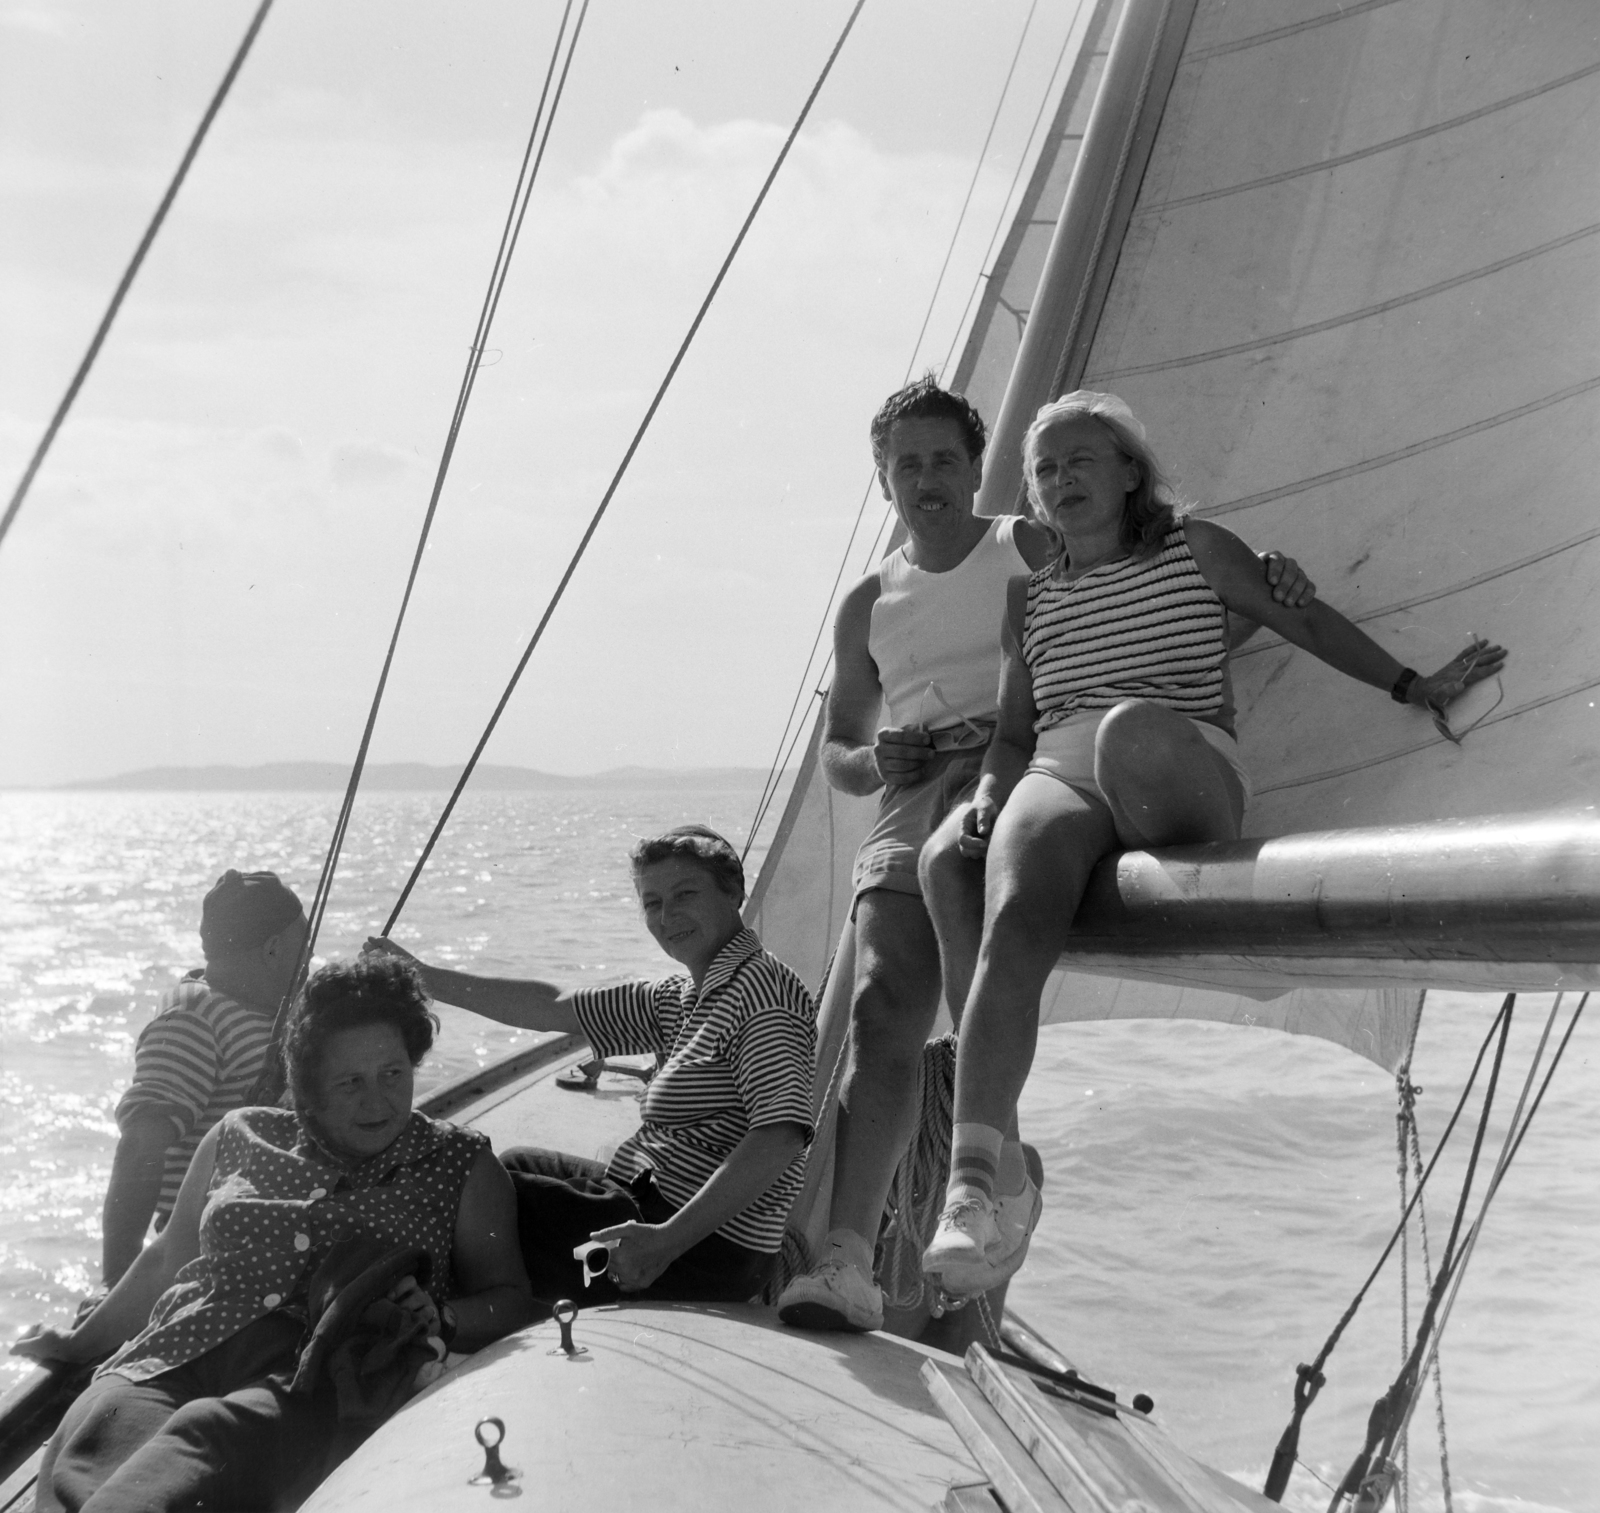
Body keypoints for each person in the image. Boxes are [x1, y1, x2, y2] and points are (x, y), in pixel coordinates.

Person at [917, 390, 1507, 1298]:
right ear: (1032, 499)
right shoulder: (1029, 599)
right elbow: (1012, 732)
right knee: (1007, 903)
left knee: (1128, 734)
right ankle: (981, 1186)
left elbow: (1301, 622)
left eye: (1081, 459)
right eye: (1044, 469)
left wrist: (1412, 684)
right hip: (1059, 771)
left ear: (1129, 473)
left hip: (1174, 761)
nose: (1061, 477)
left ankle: (986, 1178)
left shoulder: (1199, 551)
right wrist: (995, 789)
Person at [777, 377, 1318, 1333]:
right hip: (913, 791)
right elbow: (838, 752)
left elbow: (1160, 600)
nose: (928, 477)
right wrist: (872, 756)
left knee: (983, 977)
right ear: (883, 478)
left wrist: (1268, 585)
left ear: (978, 467)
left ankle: (986, 1202)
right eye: (908, 463)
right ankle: (851, 1259)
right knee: (878, 1014)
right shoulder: (868, 601)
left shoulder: (1025, 543)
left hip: (1023, 767)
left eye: (947, 458)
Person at [13, 956, 534, 1513]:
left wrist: (444, 1317)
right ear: (307, 1088)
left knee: (205, 1440)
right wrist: (78, 1345)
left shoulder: (460, 1164)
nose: (378, 1101)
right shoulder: (238, 1134)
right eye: (351, 1082)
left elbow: (514, 1302)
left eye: (393, 1074)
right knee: (97, 1440)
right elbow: (168, 1262)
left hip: (314, 1375)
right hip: (176, 1352)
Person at [368, 824, 816, 1306]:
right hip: (652, 1203)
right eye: (652, 903)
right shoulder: (684, 996)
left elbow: (779, 1136)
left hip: (702, 1251)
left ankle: (459, 1315)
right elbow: (555, 1006)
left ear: (734, 893)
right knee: (506, 1167)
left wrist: (665, 1242)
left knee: (476, 1199)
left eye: (685, 894)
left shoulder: (764, 994)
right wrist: (422, 976)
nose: (667, 915)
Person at [102, 868, 308, 1286]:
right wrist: (117, 1286)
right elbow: (140, 1145)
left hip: (273, 1230)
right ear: (271, 949)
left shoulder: (267, 1011)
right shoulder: (194, 1018)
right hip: (208, 1251)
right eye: (303, 948)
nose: (309, 962)